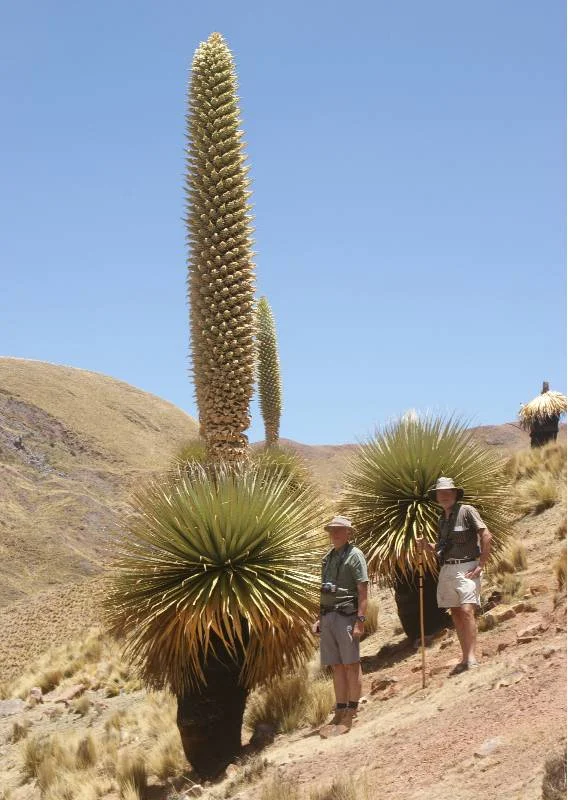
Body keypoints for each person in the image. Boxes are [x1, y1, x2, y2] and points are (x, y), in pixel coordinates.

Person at [418, 477, 492, 674]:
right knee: (456, 613)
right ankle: (464, 656)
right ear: (437, 496)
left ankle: (472, 657)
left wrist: (481, 564)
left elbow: (486, 535)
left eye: (448, 492)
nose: (444, 496)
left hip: (468, 566)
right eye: (440, 493)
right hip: (447, 569)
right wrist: (426, 545)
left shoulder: (466, 511)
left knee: (467, 610)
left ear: (455, 494)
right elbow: (441, 548)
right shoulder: (442, 519)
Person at [316, 515, 369, 735]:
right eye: (332, 530)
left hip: (346, 615)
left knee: (351, 663)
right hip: (328, 616)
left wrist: (361, 620)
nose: (334, 534)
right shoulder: (327, 558)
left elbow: (363, 589)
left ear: (348, 533)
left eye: (339, 530)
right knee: (336, 665)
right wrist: (319, 618)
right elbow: (322, 590)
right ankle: (340, 708)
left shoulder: (355, 556)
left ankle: (352, 709)